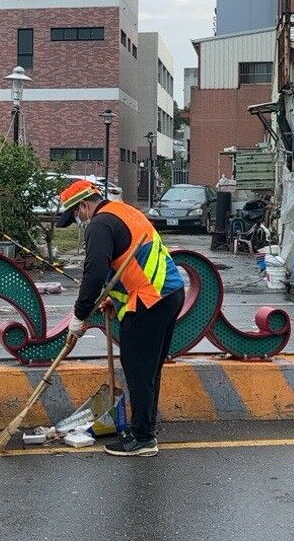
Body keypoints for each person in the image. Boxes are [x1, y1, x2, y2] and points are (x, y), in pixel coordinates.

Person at [56, 178, 185, 457]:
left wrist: (79, 315)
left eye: (76, 213)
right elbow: (129, 262)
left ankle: (143, 438)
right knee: (149, 369)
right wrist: (115, 299)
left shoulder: (99, 224)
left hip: (148, 301)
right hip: (170, 294)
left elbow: (93, 273)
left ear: (85, 205)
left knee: (139, 369)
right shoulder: (124, 211)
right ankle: (145, 428)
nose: (79, 220)